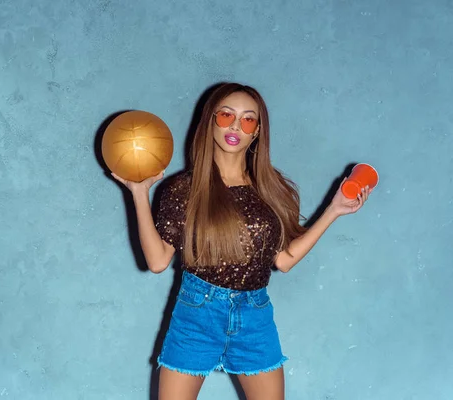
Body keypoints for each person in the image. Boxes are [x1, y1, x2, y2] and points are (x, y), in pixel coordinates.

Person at [111, 82, 372, 400]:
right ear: (210, 122)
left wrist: (334, 210)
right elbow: (157, 261)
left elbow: (285, 260)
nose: (236, 125)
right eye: (226, 115)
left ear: (257, 131)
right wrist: (139, 194)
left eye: (248, 119)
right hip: (197, 313)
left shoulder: (271, 188)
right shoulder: (184, 189)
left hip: (254, 315)